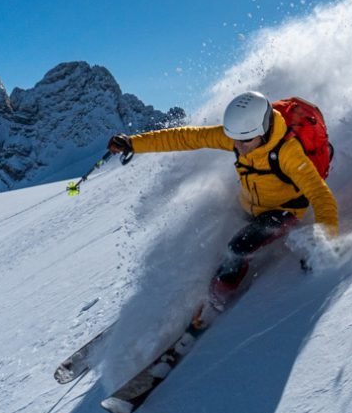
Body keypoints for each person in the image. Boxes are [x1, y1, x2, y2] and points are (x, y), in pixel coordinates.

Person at [108, 91, 338, 330]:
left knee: (237, 248)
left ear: (263, 129)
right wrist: (134, 143)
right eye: (235, 139)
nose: (238, 146)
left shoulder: (289, 153)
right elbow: (187, 137)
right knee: (215, 239)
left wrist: (325, 243)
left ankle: (213, 306)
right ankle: (221, 278)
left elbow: (321, 196)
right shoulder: (240, 137)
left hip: (284, 210)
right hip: (250, 205)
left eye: (245, 141)